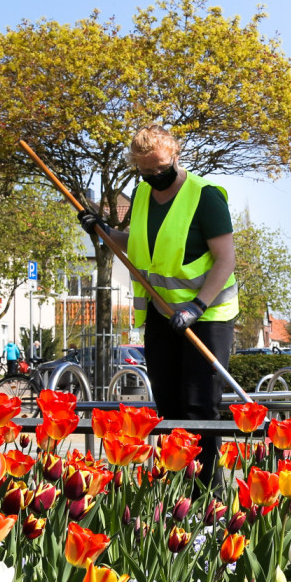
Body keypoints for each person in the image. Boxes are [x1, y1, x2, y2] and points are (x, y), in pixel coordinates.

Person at [77, 125, 237, 486]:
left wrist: (197, 306)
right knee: (167, 406)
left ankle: (205, 495)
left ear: (175, 156)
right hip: (162, 314)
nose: (154, 177)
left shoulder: (205, 197)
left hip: (206, 316)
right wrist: (100, 230)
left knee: (198, 408)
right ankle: (176, 490)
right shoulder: (143, 196)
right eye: (145, 172)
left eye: (159, 168)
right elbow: (135, 246)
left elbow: (225, 260)